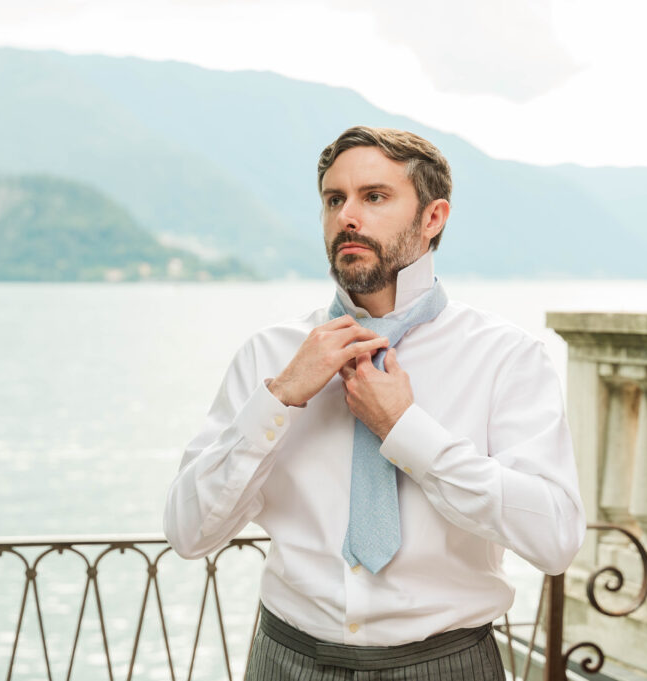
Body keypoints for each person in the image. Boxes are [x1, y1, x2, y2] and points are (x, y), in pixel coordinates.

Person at [162, 126, 585, 681]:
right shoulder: (270, 357)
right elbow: (189, 533)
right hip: (285, 661)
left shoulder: (506, 358)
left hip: (447, 665)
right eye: (334, 200)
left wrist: (408, 430)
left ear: (433, 218)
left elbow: (555, 539)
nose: (347, 217)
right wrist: (281, 399)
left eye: (374, 197)